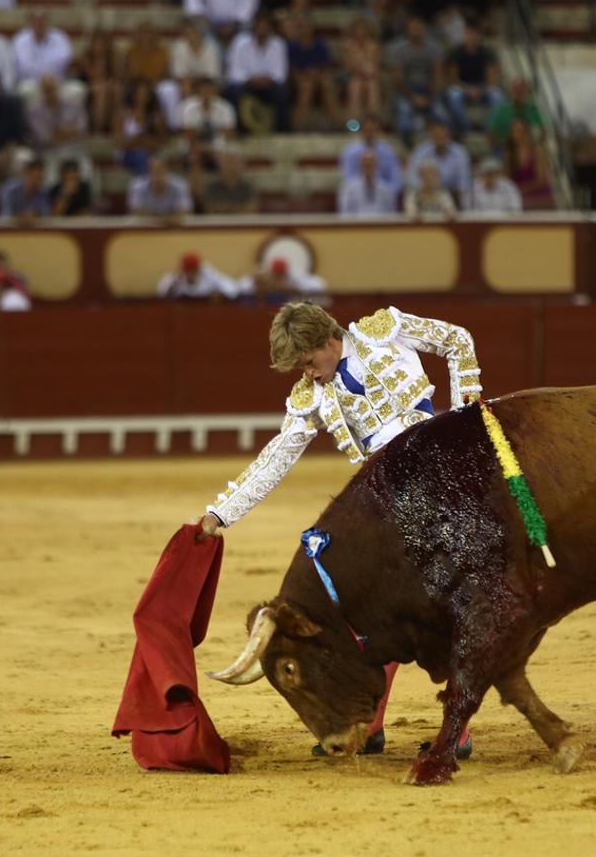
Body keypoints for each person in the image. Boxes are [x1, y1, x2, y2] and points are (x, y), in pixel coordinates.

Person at [195, 301, 484, 760]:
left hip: (440, 480)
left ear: (330, 341)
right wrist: (220, 514)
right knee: (377, 614)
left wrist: (465, 416)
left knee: (447, 608)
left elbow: (458, 340)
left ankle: (458, 732)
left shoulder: (383, 330)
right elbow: (275, 458)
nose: (308, 375)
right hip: (384, 499)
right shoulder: (311, 396)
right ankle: (369, 725)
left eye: (310, 363)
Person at [226, 13, 290, 133]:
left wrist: (266, 80)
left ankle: (281, 130)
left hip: (269, 84)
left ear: (271, 29)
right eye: (259, 26)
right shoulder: (240, 43)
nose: (262, 30)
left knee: (282, 91)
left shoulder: (278, 44)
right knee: (234, 90)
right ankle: (240, 130)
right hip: (247, 84)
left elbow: (280, 74)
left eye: (265, 27)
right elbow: (234, 72)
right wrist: (251, 80)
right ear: (253, 28)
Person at [386, 15, 446, 144]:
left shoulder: (434, 49)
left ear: (424, 29)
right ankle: (410, 148)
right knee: (404, 123)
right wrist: (413, 97)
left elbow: (438, 76)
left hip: (430, 90)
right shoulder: (398, 50)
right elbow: (397, 78)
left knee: (443, 117)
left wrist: (429, 97)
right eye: (413, 28)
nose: (416, 31)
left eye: (419, 27)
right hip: (406, 91)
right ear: (407, 30)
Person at [443, 19, 501, 137]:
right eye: (469, 33)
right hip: (462, 86)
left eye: (475, 33)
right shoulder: (456, 52)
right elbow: (453, 79)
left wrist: (480, 90)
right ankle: (466, 128)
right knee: (453, 95)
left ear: (480, 35)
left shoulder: (487, 52)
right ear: (465, 33)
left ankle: (487, 129)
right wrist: (468, 90)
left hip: (482, 86)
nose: (472, 36)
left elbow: (492, 79)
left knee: (497, 96)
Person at [162, 21, 222, 130]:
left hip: (206, 84)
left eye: (191, 33)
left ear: (199, 34)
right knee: (168, 90)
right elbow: (179, 75)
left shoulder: (211, 47)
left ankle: (205, 125)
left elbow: (211, 76)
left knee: (205, 89)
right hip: (185, 83)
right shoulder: (179, 46)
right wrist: (189, 84)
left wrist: (195, 82)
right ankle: (176, 126)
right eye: (185, 33)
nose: (188, 36)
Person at [11, 11, 76, 105]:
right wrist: (43, 78)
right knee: (26, 90)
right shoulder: (20, 40)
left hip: (57, 82)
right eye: (36, 20)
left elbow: (64, 61)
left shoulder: (60, 38)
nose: (39, 23)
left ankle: (68, 120)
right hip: (32, 82)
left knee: (76, 91)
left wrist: (50, 79)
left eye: (42, 20)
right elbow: (23, 66)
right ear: (30, 22)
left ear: (48, 22)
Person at [288, 16, 340, 130]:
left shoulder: (320, 45)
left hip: (319, 76)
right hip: (299, 79)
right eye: (302, 27)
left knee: (328, 84)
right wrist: (304, 75)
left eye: (308, 27)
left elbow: (327, 66)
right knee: (307, 86)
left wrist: (316, 73)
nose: (305, 30)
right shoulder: (292, 46)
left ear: (313, 28)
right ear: (298, 29)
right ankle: (299, 125)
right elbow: (292, 69)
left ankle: (336, 122)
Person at [405, 120, 471, 206]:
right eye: (436, 135)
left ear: (449, 135)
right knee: (411, 195)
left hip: (453, 196)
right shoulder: (420, 152)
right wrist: (427, 189)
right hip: (426, 195)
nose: (440, 137)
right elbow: (411, 178)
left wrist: (450, 197)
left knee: (464, 195)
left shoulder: (460, 153)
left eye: (443, 134)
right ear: (431, 135)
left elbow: (463, 183)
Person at [339, 114, 403, 196]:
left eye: (372, 130)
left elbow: (396, 179)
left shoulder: (388, 152)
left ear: (378, 131)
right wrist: (360, 190)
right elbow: (348, 178)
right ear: (362, 131)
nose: (369, 134)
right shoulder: (350, 152)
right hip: (357, 195)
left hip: (383, 195)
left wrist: (386, 192)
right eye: (367, 130)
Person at [341, 17, 383, 121]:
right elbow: (348, 65)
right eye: (358, 29)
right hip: (352, 76)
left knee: (372, 84)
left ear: (368, 31)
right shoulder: (347, 46)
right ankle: (354, 123)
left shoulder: (374, 46)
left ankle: (373, 120)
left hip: (370, 76)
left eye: (364, 29)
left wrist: (368, 73)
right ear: (353, 31)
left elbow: (376, 65)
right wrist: (359, 72)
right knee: (356, 85)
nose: (361, 32)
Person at [127, 156, 193, 221]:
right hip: (146, 227)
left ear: (167, 171)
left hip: (173, 227)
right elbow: (135, 210)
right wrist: (162, 219)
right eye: (152, 170)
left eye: (159, 170)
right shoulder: (137, 186)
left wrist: (158, 219)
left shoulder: (180, 185)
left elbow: (185, 211)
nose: (156, 175)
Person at [486, 77, 544, 150]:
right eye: (516, 90)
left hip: (529, 148)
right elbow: (491, 133)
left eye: (521, 91)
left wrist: (533, 145)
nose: (519, 94)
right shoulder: (502, 109)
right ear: (512, 91)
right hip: (504, 148)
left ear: (526, 92)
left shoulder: (533, 108)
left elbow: (542, 131)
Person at [337, 148, 399, 217]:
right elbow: (345, 214)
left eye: (371, 165)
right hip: (356, 226)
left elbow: (391, 215)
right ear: (360, 166)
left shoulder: (386, 190)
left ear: (376, 165)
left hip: (380, 226)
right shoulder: (349, 190)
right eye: (366, 165)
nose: (368, 168)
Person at [506, 116, 551, 205]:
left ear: (527, 132)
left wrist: (521, 190)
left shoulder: (538, 150)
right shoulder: (509, 153)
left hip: (539, 196)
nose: (516, 134)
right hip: (517, 197)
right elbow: (507, 179)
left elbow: (542, 180)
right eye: (514, 131)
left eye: (519, 131)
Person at [156, 251, 240, 299]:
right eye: (188, 270)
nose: (191, 272)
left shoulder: (209, 274)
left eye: (194, 270)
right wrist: (175, 284)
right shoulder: (175, 278)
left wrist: (221, 293)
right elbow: (161, 293)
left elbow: (232, 288)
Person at [240, 258, 327, 301]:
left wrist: (286, 289)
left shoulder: (295, 278)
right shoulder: (252, 281)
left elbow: (319, 287)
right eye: (277, 274)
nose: (279, 276)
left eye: (281, 274)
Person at [202, 149, 259, 214]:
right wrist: (239, 208)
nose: (231, 167)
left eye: (234, 162)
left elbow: (252, 209)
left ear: (241, 165)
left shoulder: (248, 186)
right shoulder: (212, 187)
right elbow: (210, 209)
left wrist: (225, 208)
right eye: (228, 162)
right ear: (220, 165)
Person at [0, 158, 52, 222]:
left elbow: (46, 213)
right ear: (26, 174)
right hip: (8, 228)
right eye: (35, 177)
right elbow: (5, 214)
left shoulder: (42, 192)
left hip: (33, 230)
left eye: (40, 178)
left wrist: (35, 214)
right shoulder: (10, 190)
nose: (38, 182)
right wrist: (20, 216)